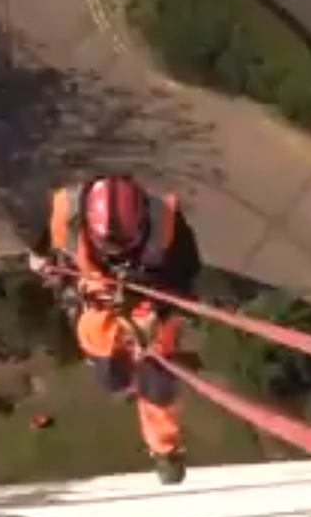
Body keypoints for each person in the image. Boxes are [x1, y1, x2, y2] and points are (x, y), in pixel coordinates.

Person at [23, 175, 202, 485]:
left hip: (150, 298)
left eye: (125, 246)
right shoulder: (64, 211)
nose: (118, 255)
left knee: (157, 377)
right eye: (109, 247)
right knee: (110, 371)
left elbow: (186, 278)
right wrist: (46, 265)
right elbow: (38, 252)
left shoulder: (167, 222)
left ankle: (165, 449)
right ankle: (119, 375)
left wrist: (158, 311)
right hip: (95, 294)